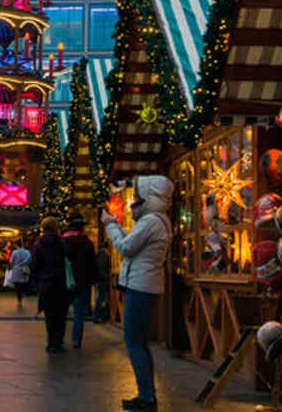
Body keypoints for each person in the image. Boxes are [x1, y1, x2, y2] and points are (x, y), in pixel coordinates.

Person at [102, 176, 173, 411]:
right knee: (139, 342)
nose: (135, 201)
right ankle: (146, 393)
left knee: (133, 341)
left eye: (140, 196)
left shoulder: (151, 220)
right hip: (146, 284)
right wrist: (116, 225)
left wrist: (110, 225)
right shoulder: (159, 220)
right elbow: (131, 244)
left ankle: (146, 396)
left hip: (140, 286)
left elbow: (124, 247)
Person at [30, 216, 70, 353]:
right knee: (61, 315)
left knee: (50, 315)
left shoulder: (38, 244)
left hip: (46, 284)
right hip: (61, 283)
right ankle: (59, 342)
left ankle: (51, 343)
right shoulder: (62, 243)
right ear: (56, 227)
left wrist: (36, 281)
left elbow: (34, 265)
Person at [61, 212, 98, 349]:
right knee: (79, 314)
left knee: (62, 313)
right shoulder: (86, 243)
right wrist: (94, 279)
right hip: (82, 283)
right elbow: (92, 264)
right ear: (81, 227)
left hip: (65, 283)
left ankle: (60, 338)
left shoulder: (63, 242)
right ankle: (76, 340)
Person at [5, 239, 31, 306]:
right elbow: (30, 260)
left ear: (16, 245)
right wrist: (24, 263)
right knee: (23, 283)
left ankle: (19, 300)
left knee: (18, 285)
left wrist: (10, 267)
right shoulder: (27, 252)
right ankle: (22, 296)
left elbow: (11, 262)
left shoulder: (14, 252)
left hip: (16, 269)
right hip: (25, 268)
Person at [94, 239, 112, 322]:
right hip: (101, 279)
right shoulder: (103, 254)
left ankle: (100, 315)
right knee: (101, 297)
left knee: (101, 297)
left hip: (100, 278)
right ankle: (97, 316)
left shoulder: (102, 253)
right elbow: (101, 267)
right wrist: (107, 277)